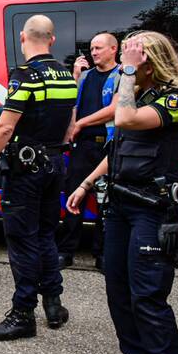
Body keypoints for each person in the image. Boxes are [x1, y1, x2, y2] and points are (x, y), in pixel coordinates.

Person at [66, 31, 178, 354]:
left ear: (149, 61)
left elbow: (122, 118)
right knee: (118, 290)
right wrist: (87, 184)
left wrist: (125, 70)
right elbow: (118, 147)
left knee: (148, 298)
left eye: (131, 57)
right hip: (122, 206)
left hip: (154, 211)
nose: (125, 64)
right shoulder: (140, 96)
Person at [0, 15, 76, 341]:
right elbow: (70, 125)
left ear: (23, 37)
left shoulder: (26, 76)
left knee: (21, 239)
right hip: (56, 163)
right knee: (45, 235)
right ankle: (53, 304)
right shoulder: (66, 74)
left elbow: (5, 126)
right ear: (53, 38)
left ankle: (22, 313)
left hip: (28, 167)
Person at [57, 32, 119, 270]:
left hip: (107, 145)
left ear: (114, 49)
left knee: (106, 201)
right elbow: (73, 105)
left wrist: (82, 123)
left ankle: (102, 253)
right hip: (82, 145)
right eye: (92, 48)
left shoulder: (122, 75)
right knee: (74, 197)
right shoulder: (85, 77)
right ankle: (66, 250)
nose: (93, 52)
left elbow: (114, 109)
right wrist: (74, 76)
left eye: (99, 48)